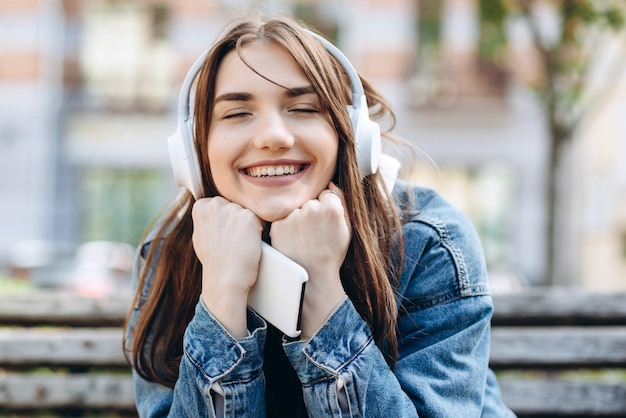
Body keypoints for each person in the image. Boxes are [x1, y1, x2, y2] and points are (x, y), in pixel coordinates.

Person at [124, 12, 516, 418]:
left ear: (352, 135)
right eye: (237, 114)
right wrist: (222, 295)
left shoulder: (428, 241)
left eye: (304, 108)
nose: (273, 136)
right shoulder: (167, 255)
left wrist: (324, 292)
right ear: (193, 150)